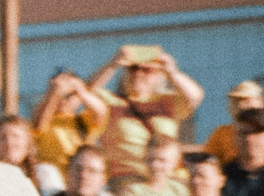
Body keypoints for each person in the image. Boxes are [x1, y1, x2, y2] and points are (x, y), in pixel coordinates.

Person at [87, 47, 203, 182]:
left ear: (159, 75)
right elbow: (86, 91)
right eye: (133, 69)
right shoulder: (110, 101)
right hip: (127, 176)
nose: (138, 74)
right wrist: (113, 64)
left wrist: (172, 72)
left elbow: (195, 97)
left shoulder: (168, 101)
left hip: (166, 177)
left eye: (147, 70)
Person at [30, 69, 107, 174]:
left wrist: (80, 90)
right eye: (61, 95)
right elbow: (38, 124)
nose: (64, 100)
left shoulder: (83, 120)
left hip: (78, 176)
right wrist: (54, 92)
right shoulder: (43, 117)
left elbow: (100, 111)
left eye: (69, 95)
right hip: (52, 178)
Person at [115, 134, 191, 196]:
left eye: (162, 160)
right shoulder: (133, 192)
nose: (155, 165)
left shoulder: (182, 193)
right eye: (150, 159)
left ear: (176, 163)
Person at [200, 80, 264, 165]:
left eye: (246, 100)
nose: (240, 105)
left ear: (260, 102)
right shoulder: (222, 133)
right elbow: (206, 161)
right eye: (235, 100)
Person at [0, 116, 63, 195]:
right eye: (2, 138)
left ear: (27, 142)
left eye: (15, 136)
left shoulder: (44, 172)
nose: (9, 143)